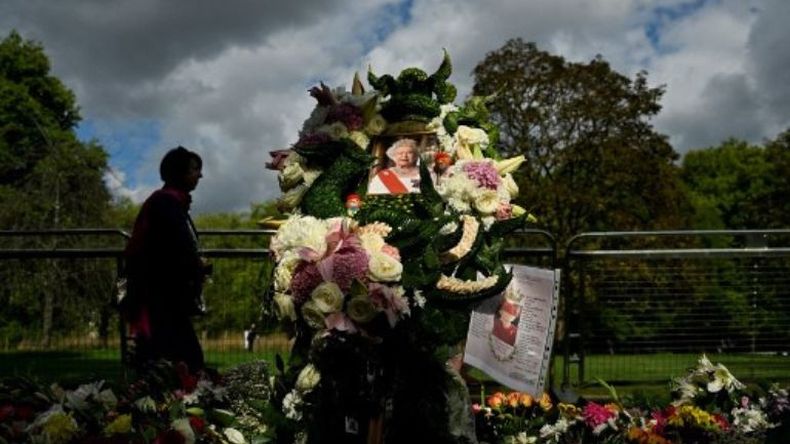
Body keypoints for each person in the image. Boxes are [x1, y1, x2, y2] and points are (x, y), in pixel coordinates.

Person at [121, 146, 211, 373]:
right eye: (194, 169)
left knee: (161, 357)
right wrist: (196, 266)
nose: (199, 175)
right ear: (179, 173)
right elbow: (172, 249)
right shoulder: (167, 204)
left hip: (162, 297)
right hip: (162, 297)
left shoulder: (168, 203)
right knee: (186, 361)